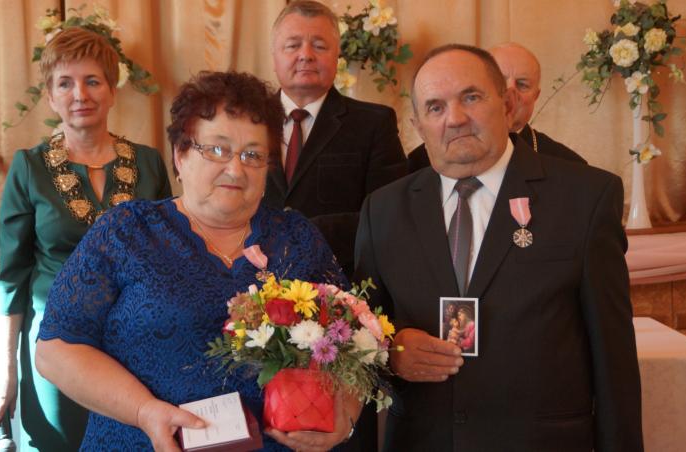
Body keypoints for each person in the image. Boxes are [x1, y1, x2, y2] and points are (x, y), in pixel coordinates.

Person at [34, 71, 362, 451]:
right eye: (217, 150)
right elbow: (56, 350)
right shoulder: (126, 232)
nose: (235, 169)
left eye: (252, 155)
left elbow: (356, 343)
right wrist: (143, 411)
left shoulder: (297, 238)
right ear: (180, 155)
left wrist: (346, 418)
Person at [355, 44, 643, 451]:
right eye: (435, 107)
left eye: (471, 97)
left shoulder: (585, 198)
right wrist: (391, 352)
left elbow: (615, 360)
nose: (455, 118)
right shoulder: (383, 210)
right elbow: (361, 336)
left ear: (507, 105)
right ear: (418, 125)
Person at [0, 27, 172, 451]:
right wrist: (4, 369)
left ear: (112, 90)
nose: (79, 95)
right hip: (56, 343)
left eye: (92, 81)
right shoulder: (29, 167)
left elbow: (168, 257)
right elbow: (11, 276)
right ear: (50, 97)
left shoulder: (149, 162)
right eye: (65, 84)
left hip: (136, 340)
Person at [264, 0, 407, 277]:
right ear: (274, 56)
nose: (306, 55)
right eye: (292, 45)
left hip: (342, 286)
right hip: (250, 284)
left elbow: (390, 214)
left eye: (319, 46)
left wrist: (309, 234)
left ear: (337, 55)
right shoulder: (247, 121)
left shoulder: (374, 124)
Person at [407, 42, 586, 173]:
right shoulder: (418, 162)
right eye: (501, 80)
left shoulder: (569, 165)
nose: (511, 90)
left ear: (535, 96)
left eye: (522, 84)